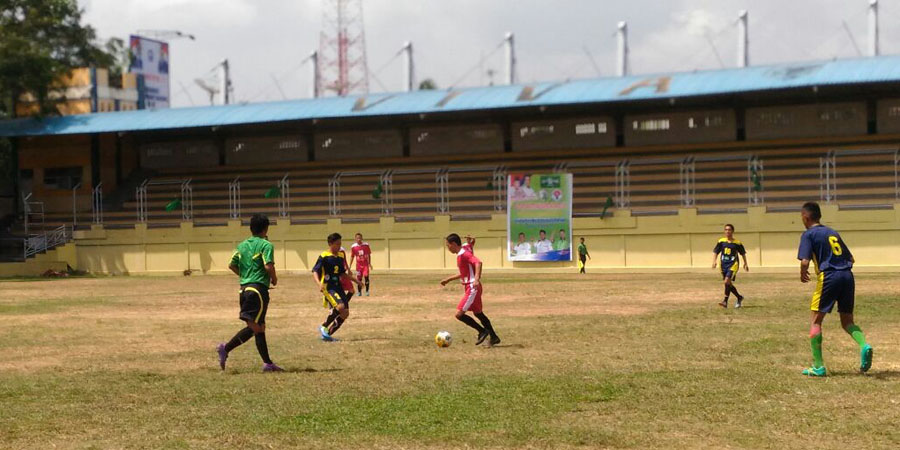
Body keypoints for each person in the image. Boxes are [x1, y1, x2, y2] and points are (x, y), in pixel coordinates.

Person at [797, 202, 873, 377]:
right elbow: (851, 258)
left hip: (829, 276)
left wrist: (803, 273)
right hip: (847, 276)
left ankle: (818, 367)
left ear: (805, 217)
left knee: (816, 321)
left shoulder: (809, 234)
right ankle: (864, 345)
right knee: (847, 321)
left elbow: (805, 261)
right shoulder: (832, 232)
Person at [217, 214, 283, 372]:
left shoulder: (241, 246)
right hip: (258, 290)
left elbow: (231, 265)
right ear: (266, 228)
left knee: (260, 326)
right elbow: (268, 266)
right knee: (255, 327)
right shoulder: (266, 245)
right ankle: (226, 348)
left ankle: (268, 363)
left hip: (245, 289)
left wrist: (245, 276)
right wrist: (274, 278)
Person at [440, 233, 500, 346]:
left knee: (459, 314)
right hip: (472, 286)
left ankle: (482, 331)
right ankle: (494, 337)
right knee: (478, 313)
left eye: (448, 245)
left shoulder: (463, 254)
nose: (447, 248)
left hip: (473, 287)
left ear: (453, 244)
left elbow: (478, 262)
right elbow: (469, 248)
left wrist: (476, 279)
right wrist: (448, 279)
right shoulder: (463, 250)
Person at [313, 233, 362, 341]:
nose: (339, 246)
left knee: (345, 313)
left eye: (340, 244)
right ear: (330, 244)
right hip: (328, 286)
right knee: (340, 307)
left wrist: (356, 281)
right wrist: (319, 283)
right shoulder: (324, 256)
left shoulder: (340, 256)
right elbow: (315, 271)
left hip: (338, 286)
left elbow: (342, 273)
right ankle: (324, 326)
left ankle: (328, 335)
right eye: (337, 244)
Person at [712, 224, 749, 308]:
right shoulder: (721, 241)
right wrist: (714, 261)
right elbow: (715, 252)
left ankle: (725, 301)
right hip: (723, 264)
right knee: (728, 283)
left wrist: (745, 263)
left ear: (732, 231)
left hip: (733, 264)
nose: (727, 231)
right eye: (726, 230)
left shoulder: (737, 243)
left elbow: (743, 253)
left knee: (726, 281)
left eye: (729, 230)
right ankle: (739, 297)